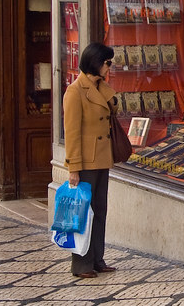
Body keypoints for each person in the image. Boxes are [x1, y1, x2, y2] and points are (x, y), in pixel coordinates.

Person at [63, 42, 118, 279]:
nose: (110, 67)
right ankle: (81, 264)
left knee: (100, 211)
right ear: (96, 62)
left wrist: (101, 84)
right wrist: (73, 168)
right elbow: (72, 132)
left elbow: (113, 107)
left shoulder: (97, 87)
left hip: (102, 160)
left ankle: (97, 259)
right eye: (107, 63)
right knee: (83, 214)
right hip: (85, 162)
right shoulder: (75, 92)